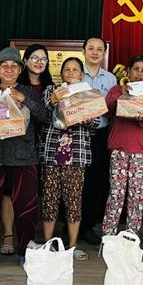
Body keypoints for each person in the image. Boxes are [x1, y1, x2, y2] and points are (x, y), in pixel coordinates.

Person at [0, 47, 49, 270]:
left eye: (14, 66)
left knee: (26, 208)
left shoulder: (28, 91)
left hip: (23, 157)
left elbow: (44, 116)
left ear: (20, 70)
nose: (9, 69)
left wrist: (23, 98)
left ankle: (26, 251)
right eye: (4, 66)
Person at [41, 57, 97, 261]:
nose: (71, 73)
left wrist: (88, 118)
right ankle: (48, 244)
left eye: (75, 70)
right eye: (67, 69)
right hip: (52, 153)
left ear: (81, 74)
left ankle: (72, 246)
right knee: (49, 199)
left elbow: (96, 122)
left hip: (76, 154)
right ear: (61, 73)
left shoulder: (88, 93)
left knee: (73, 201)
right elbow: (43, 112)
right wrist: (54, 100)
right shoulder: (52, 90)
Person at [102, 55, 143, 236]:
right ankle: (109, 235)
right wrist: (122, 92)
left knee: (136, 195)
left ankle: (131, 236)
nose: (139, 73)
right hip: (119, 147)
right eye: (136, 69)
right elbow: (106, 109)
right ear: (128, 71)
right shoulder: (116, 89)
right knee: (116, 193)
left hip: (141, 149)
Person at [79, 37, 117, 246]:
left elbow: (114, 109)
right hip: (76, 134)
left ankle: (88, 226)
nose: (95, 52)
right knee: (76, 181)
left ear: (104, 53)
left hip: (100, 135)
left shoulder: (111, 79)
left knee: (95, 182)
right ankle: (71, 224)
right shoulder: (75, 73)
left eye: (99, 49)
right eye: (91, 48)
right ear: (83, 50)